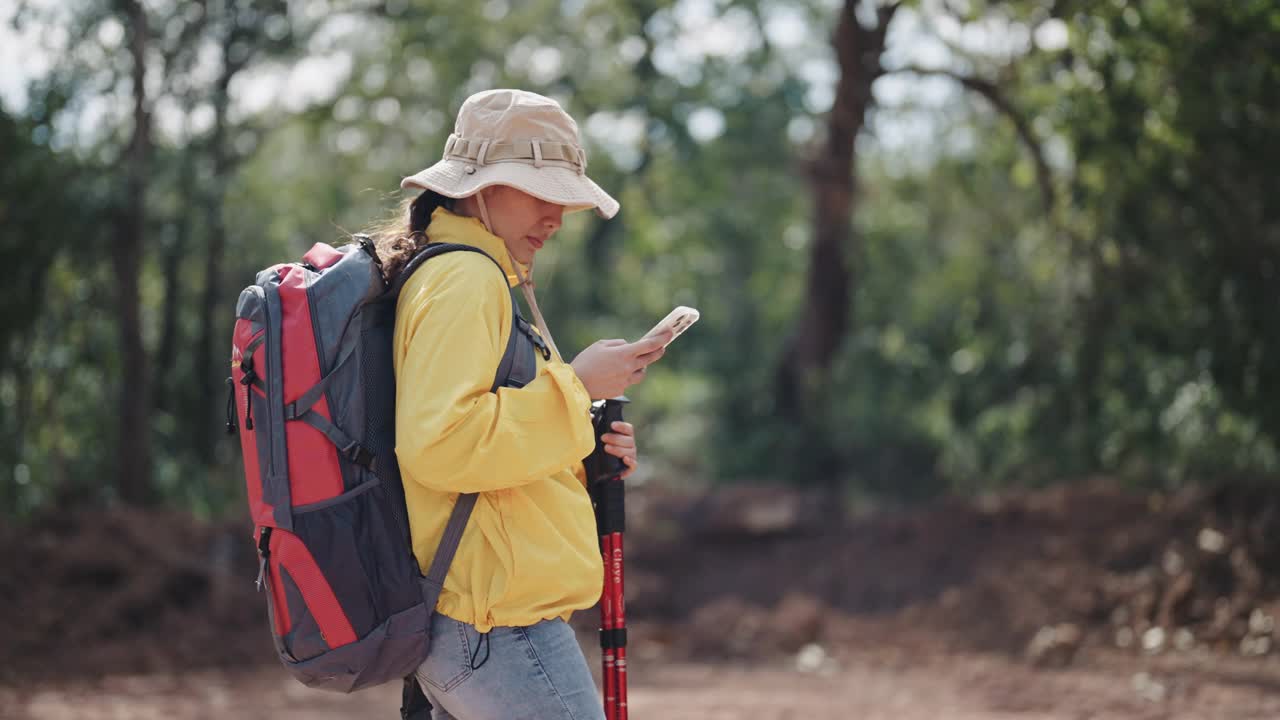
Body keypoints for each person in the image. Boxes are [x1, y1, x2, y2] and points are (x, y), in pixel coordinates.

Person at [369, 89, 669, 720]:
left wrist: (585, 450)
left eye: (564, 198)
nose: (557, 216)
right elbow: (443, 445)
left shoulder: (462, 273)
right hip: (494, 625)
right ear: (479, 188)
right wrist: (577, 388)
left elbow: (485, 457)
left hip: (476, 619)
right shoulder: (466, 279)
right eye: (539, 192)